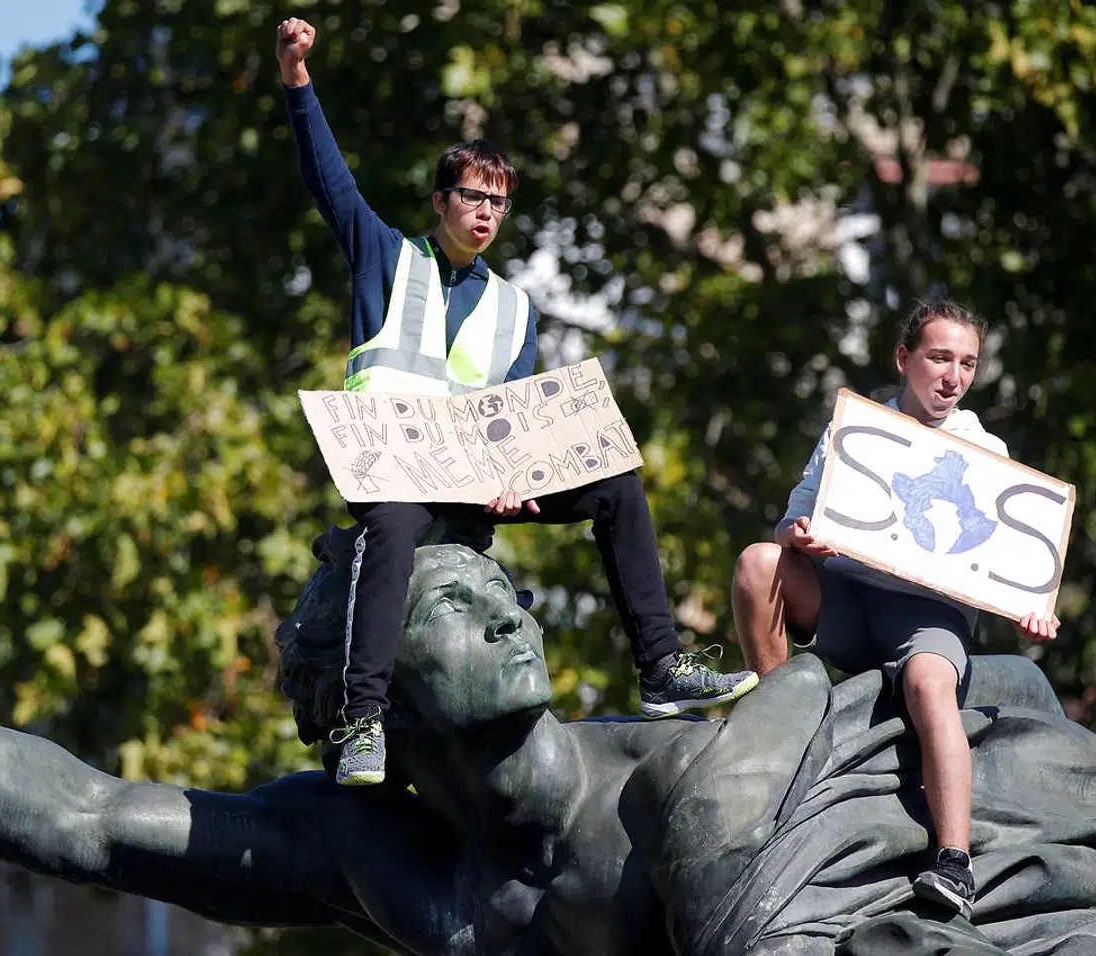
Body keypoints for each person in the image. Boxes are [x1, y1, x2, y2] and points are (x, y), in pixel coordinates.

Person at [0, 539, 1096, 955]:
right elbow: (92, 821)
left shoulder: (667, 790)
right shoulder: (366, 853)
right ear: (375, 687)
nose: (510, 612)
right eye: (453, 608)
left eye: (500, 589)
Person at [275, 15, 756, 786]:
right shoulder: (386, 258)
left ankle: (662, 666)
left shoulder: (514, 307)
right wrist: (297, 79)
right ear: (441, 201)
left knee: (616, 481)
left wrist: (515, 473)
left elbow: (513, 415)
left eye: (499, 202)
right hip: (394, 474)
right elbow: (327, 178)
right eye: (474, 196)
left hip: (476, 485)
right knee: (394, 527)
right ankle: (361, 718)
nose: (488, 213)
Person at [729, 299, 1062, 919]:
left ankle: (954, 862)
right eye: (940, 357)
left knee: (929, 683)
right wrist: (797, 535)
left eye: (967, 363)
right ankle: (778, 741)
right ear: (904, 359)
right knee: (756, 563)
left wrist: (1030, 611)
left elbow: (1013, 570)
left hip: (926, 617)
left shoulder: (986, 449)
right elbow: (788, 523)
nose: (953, 376)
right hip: (848, 601)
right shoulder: (855, 429)